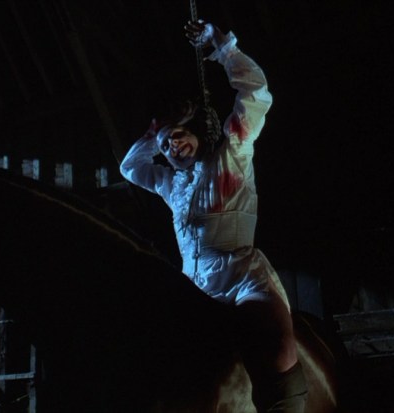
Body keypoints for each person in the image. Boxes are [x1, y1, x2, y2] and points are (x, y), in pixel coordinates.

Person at [119, 20, 308, 412]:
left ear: (197, 131)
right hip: (195, 287)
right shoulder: (170, 185)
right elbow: (129, 167)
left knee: (279, 350)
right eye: (166, 145)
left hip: (242, 278)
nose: (173, 146)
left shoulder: (232, 154)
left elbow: (256, 92)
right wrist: (156, 130)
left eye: (179, 135)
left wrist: (221, 45)